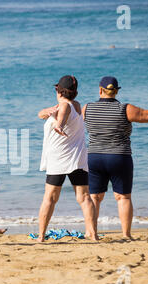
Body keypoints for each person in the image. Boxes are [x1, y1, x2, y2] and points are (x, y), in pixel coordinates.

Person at [83, 76, 148, 239]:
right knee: (123, 197)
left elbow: (71, 122)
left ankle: (91, 232)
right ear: (116, 91)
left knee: (94, 197)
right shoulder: (125, 109)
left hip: (94, 157)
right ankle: (126, 234)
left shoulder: (87, 108)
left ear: (100, 90)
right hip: (119, 157)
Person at [37, 75, 98, 242]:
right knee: (84, 197)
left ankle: (41, 236)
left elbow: (61, 119)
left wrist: (58, 126)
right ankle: (93, 234)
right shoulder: (76, 105)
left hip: (59, 159)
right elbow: (41, 114)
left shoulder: (64, 107)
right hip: (77, 158)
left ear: (58, 90)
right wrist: (47, 112)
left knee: (50, 197)